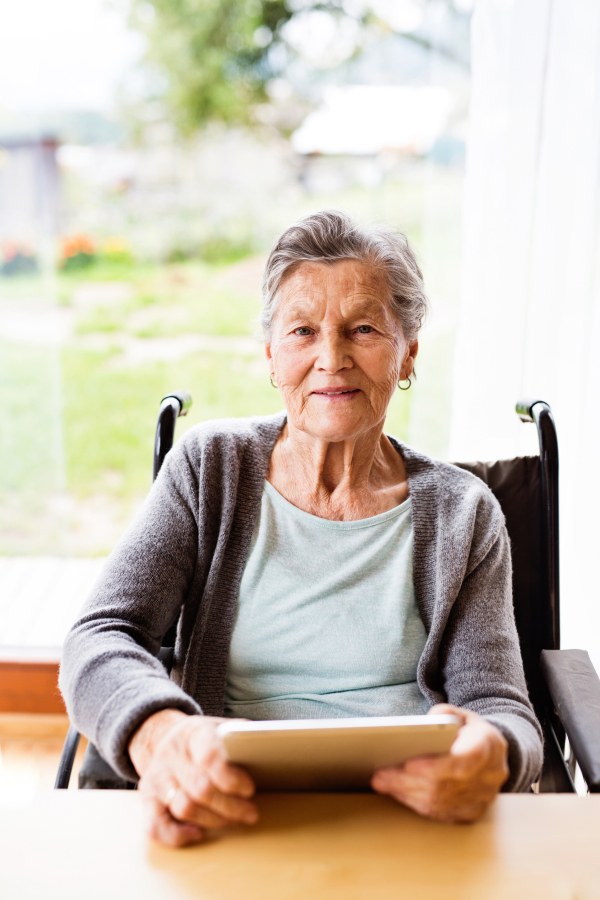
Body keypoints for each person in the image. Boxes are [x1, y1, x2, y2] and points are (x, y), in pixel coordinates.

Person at [60, 211, 543, 847]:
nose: (331, 358)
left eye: (363, 328)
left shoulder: (465, 511)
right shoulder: (210, 467)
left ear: (409, 353)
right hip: (230, 804)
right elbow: (99, 635)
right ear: (270, 355)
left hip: (407, 817)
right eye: (303, 331)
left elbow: (503, 706)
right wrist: (162, 731)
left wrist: (495, 753)